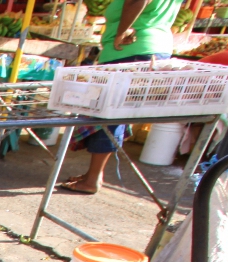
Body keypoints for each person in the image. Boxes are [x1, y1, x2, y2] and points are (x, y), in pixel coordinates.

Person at [60, 0, 186, 194]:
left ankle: (92, 179)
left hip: (131, 50)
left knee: (108, 117)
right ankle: (93, 175)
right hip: (149, 48)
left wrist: (121, 32)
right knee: (111, 116)